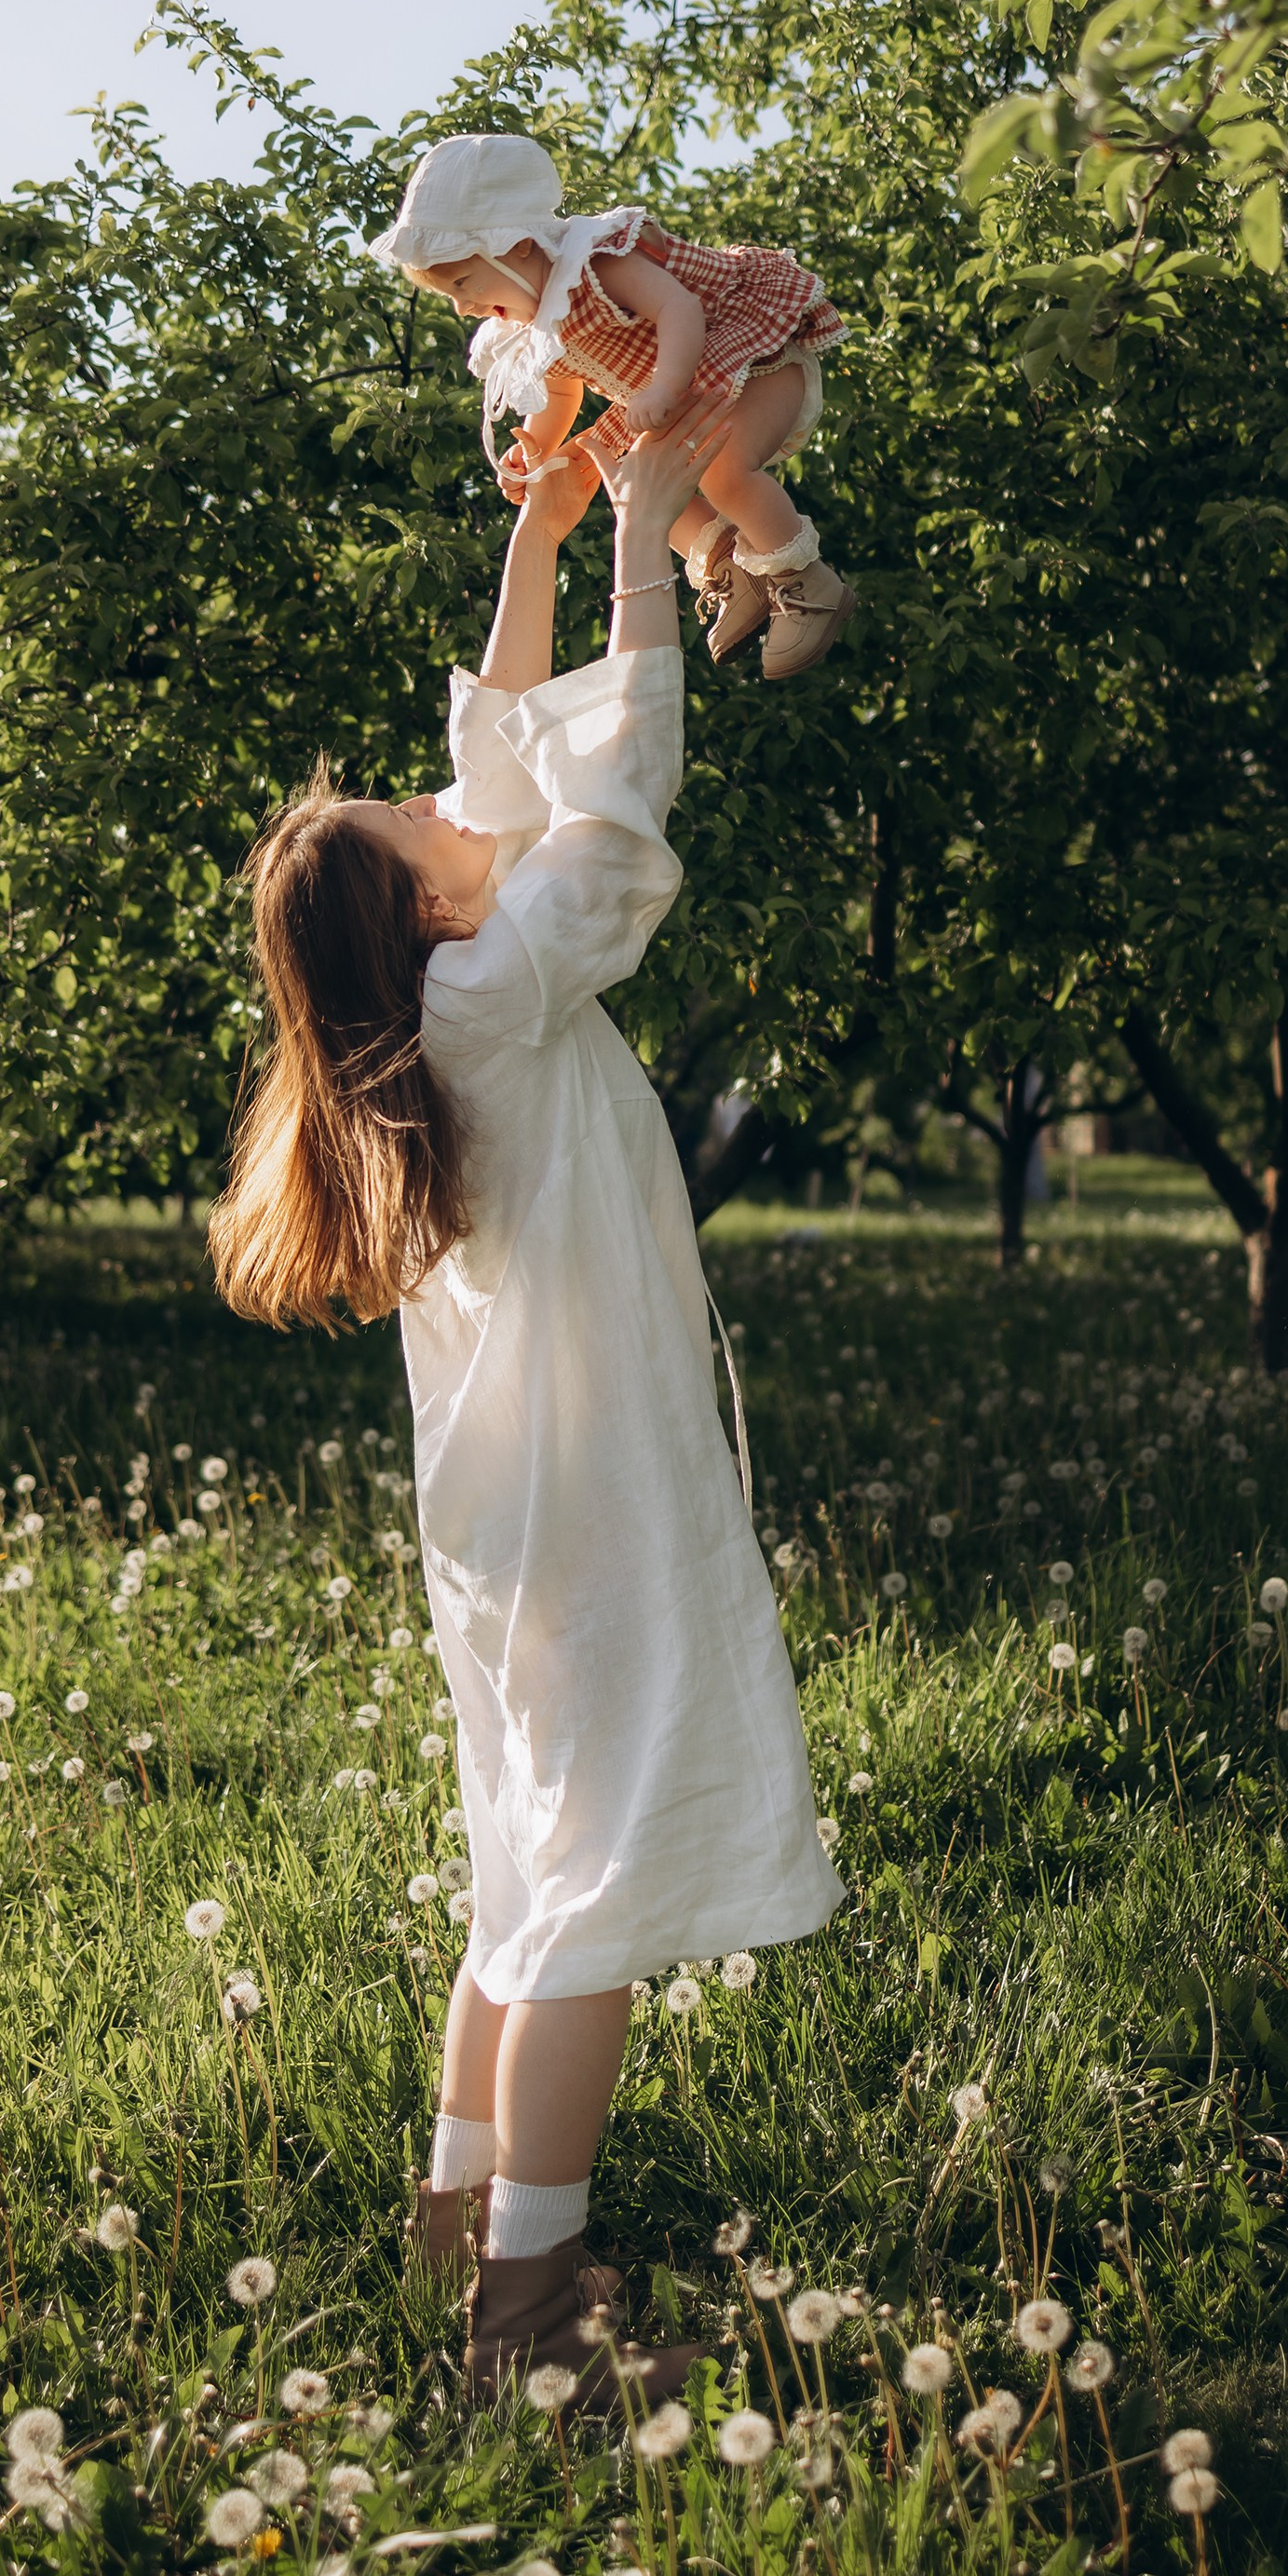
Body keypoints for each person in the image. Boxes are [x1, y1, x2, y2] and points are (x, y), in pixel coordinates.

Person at [208, 412, 843, 2406]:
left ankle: (458, 2203)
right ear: (441, 914)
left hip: (507, 1520)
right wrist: (651, 527)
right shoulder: (502, 987)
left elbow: (500, 736)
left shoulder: (429, 1013)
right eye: (410, 822)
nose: (437, 790)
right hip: (592, 1507)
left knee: (522, 1861)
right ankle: (529, 2315)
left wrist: (554, 526)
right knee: (595, 1894)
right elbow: (617, 789)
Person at [369, 131, 857, 684]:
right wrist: (538, 448)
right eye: (449, 294)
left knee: (723, 472)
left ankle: (807, 582)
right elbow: (560, 392)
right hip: (682, 394)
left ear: (520, 244)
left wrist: (663, 388)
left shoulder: (597, 263)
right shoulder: (533, 321)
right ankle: (731, 567)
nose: (462, 304)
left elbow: (680, 308)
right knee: (636, 486)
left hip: (751, 352)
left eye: (462, 279)